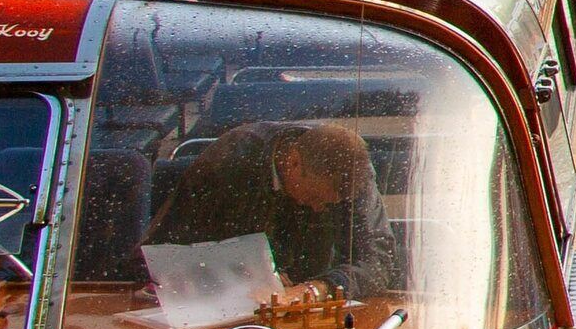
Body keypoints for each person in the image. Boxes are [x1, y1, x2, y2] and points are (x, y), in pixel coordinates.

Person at [146, 119, 404, 314]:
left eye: (330, 204)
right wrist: (245, 272)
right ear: (292, 162)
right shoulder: (227, 164)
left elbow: (379, 259)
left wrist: (319, 287)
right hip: (233, 312)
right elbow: (163, 254)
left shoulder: (352, 171)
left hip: (312, 311)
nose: (317, 209)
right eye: (315, 197)